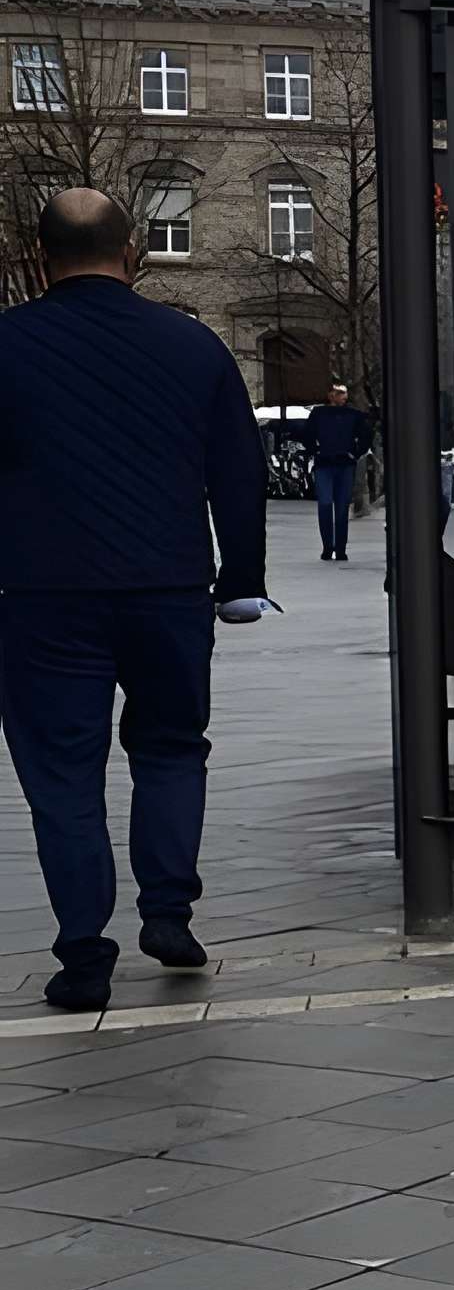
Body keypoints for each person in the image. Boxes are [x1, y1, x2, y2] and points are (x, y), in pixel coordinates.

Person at [0, 191, 270, 1011]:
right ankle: (169, 914)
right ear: (133, 253)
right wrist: (241, 581)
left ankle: (84, 953)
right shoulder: (193, 344)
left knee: (63, 776)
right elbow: (238, 470)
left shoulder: (8, 343)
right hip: (168, 589)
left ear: (40, 257)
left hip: (42, 595)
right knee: (172, 748)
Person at [303, 381, 372, 561]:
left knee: (342, 507)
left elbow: (366, 435)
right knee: (325, 503)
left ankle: (340, 548)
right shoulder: (319, 413)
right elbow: (307, 434)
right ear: (330, 395)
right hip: (324, 464)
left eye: (344, 393)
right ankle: (328, 546)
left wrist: (355, 453)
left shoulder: (353, 415)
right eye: (339, 392)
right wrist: (316, 450)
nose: (343, 396)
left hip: (344, 464)